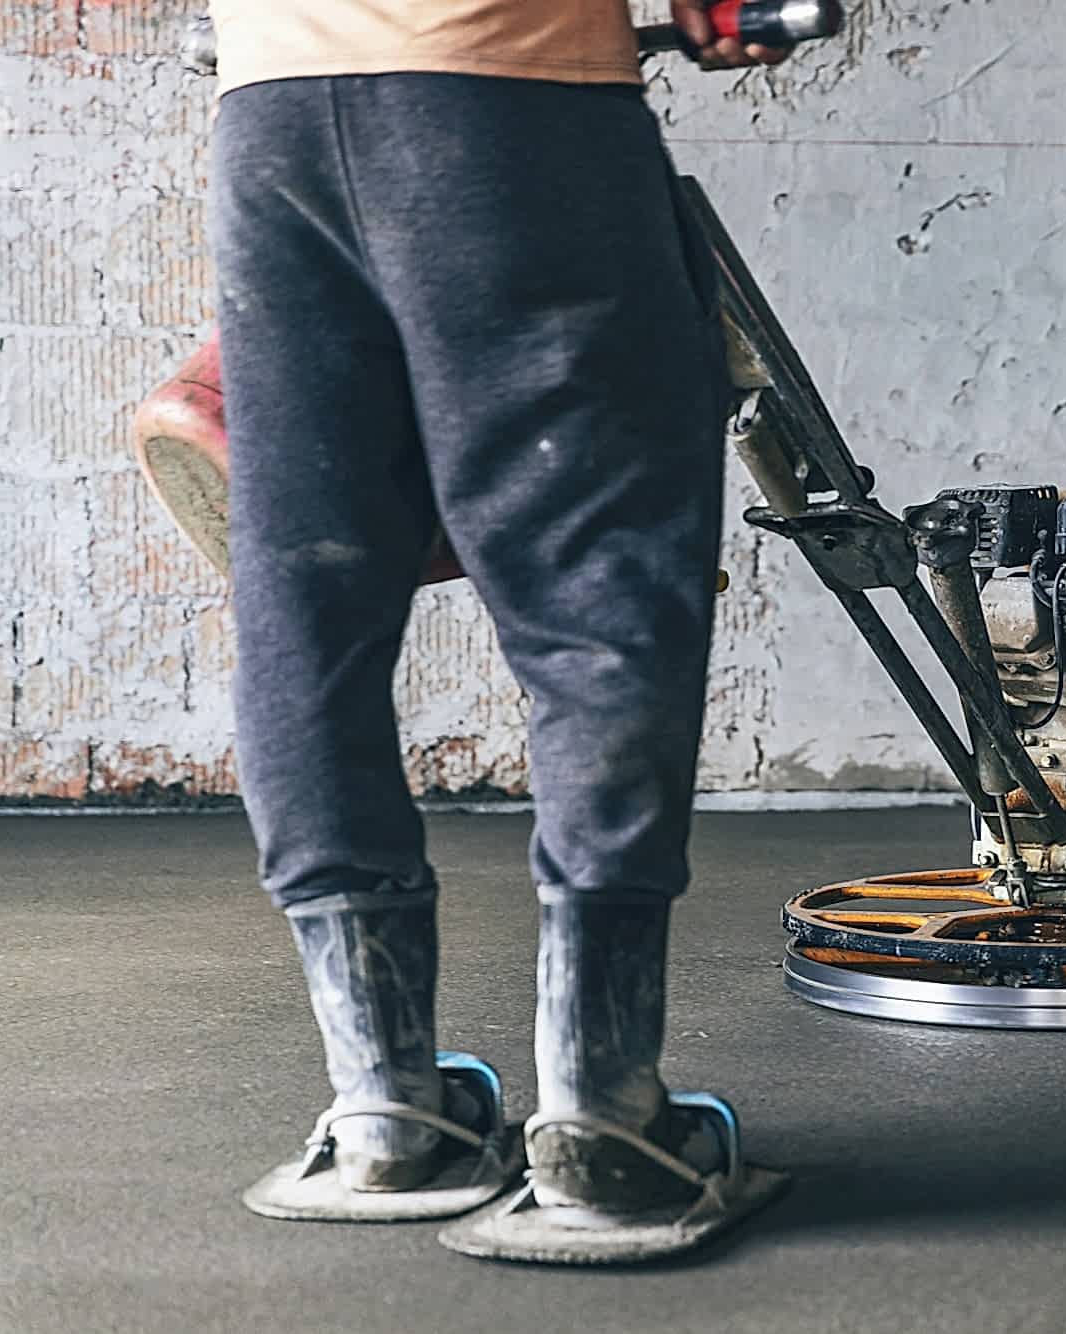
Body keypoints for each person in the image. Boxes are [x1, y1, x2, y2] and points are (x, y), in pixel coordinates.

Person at [209, 0, 790, 1252]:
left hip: (271, 115)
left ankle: (384, 1110)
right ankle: (602, 1117)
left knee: (306, 593)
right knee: (600, 593)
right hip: (509, 100)